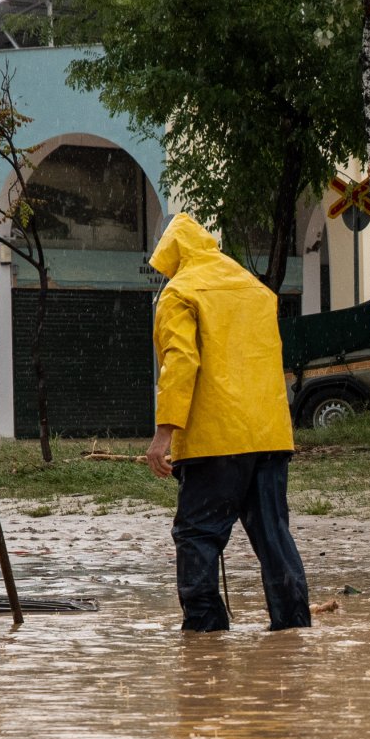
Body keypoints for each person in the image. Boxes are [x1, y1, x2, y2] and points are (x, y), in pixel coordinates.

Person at [144, 213, 311, 631]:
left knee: (197, 536)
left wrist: (164, 434)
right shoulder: (255, 290)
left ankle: (204, 635)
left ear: (173, 257)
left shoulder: (180, 292)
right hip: (269, 435)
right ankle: (293, 630)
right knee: (274, 538)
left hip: (214, 440)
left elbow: (180, 363)